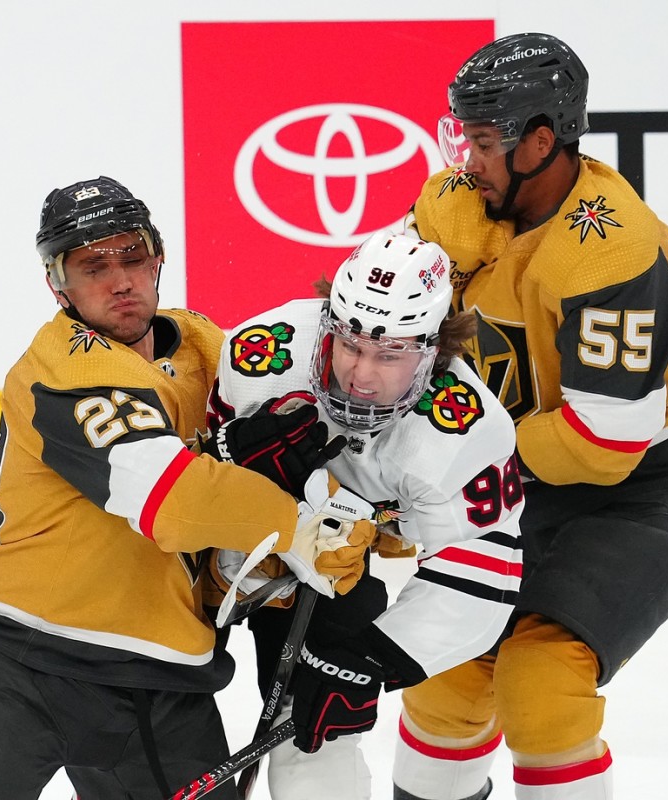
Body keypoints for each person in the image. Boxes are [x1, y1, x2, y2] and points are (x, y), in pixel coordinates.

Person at [0, 176, 374, 800]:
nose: (120, 280)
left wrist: (362, 506)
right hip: (13, 667)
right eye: (93, 265)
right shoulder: (65, 370)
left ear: (158, 258)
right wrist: (303, 528)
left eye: (132, 256)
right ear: (57, 285)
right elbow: (173, 501)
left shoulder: (205, 346)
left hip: (159, 679)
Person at [394, 33, 668, 800]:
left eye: (485, 142)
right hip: (527, 465)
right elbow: (379, 325)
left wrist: (436, 477)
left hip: (656, 479)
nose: (466, 160)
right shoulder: (458, 205)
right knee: (446, 680)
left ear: (540, 140)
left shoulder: (611, 252)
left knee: (542, 684)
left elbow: (602, 444)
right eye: (461, 136)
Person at [205, 230, 525, 800]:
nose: (360, 374)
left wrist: (367, 659)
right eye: (349, 344)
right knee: (144, 697)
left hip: (330, 573)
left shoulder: (464, 432)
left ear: (434, 353)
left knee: (310, 746)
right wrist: (226, 461)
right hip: (222, 548)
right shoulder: (262, 355)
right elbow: (178, 472)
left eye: (390, 355)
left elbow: (481, 580)